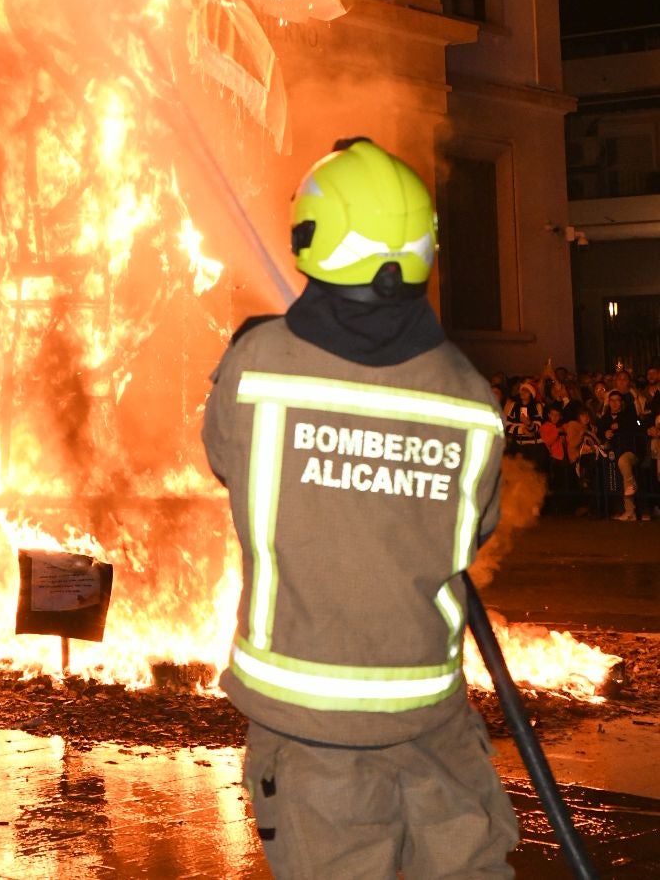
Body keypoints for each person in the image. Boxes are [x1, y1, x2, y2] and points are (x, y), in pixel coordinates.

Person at [202, 137, 517, 880]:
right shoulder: (470, 394)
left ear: (311, 238)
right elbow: (474, 529)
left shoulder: (258, 366)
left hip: (312, 733)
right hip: (431, 715)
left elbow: (224, 459)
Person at [598, 389, 642, 521]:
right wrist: (605, 434)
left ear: (622, 402)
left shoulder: (629, 415)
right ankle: (615, 509)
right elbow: (600, 431)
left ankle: (630, 509)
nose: (615, 403)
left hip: (629, 452)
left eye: (617, 400)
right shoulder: (605, 418)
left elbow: (638, 426)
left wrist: (621, 426)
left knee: (623, 463)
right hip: (611, 454)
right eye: (612, 400)